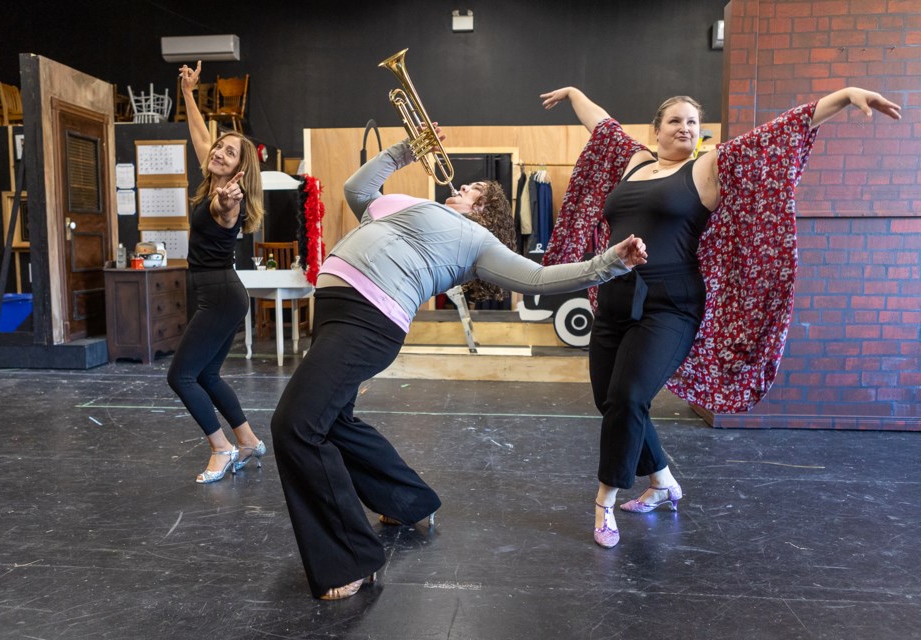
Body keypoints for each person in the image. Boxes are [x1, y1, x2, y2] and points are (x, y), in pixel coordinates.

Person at [271, 126, 649, 600]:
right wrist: (409, 150)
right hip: (334, 308)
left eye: (475, 190)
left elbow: (538, 277)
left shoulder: (480, 243)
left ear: (485, 211)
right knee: (333, 421)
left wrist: (609, 263)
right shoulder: (408, 204)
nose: (462, 186)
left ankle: (350, 558)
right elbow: (357, 190)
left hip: (370, 319)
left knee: (296, 426)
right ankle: (411, 502)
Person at [539, 86, 901, 548]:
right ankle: (664, 483)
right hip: (613, 299)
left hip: (671, 304)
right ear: (656, 130)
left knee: (629, 397)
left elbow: (783, 130)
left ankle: (604, 503)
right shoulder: (631, 161)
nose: (686, 128)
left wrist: (845, 96)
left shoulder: (708, 166)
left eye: (693, 122)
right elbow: (602, 123)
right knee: (608, 401)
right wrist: (574, 94)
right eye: (676, 121)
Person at [167, 61, 266, 484]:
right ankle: (247, 440)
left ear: (240, 171)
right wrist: (188, 93)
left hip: (221, 296)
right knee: (207, 374)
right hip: (224, 294)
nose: (218, 152)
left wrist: (229, 200)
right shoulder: (211, 180)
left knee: (182, 375)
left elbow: (225, 211)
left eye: (229, 152)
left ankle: (221, 448)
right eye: (219, 147)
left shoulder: (224, 199)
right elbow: (200, 136)